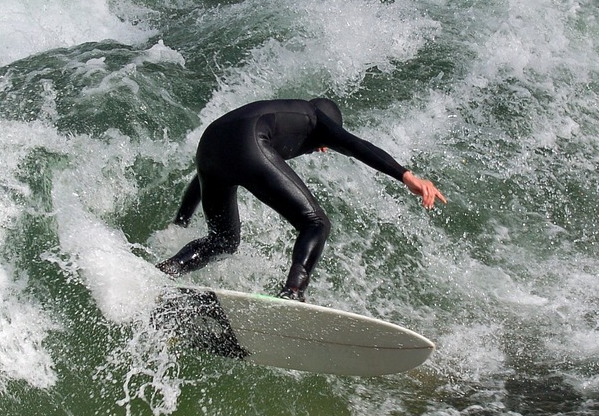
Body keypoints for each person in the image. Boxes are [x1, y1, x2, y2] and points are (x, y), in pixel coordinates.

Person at [157, 97, 446, 301]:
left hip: (210, 146)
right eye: (326, 144)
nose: (321, 149)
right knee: (316, 223)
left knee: (222, 241)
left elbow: (204, 175)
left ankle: (165, 272)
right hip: (247, 142)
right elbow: (356, 145)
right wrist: (407, 176)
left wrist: (181, 218)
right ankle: (292, 292)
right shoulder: (315, 117)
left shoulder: (282, 115)